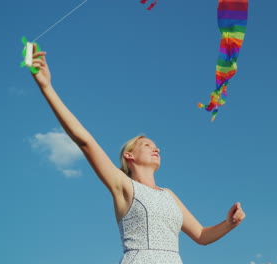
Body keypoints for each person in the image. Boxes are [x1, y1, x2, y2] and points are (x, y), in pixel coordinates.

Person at [30, 46, 246, 264]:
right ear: (129, 156)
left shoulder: (169, 195)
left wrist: (229, 223)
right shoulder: (123, 185)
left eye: (156, 146)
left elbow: (201, 235)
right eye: (146, 145)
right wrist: (47, 86)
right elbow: (85, 141)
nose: (156, 149)